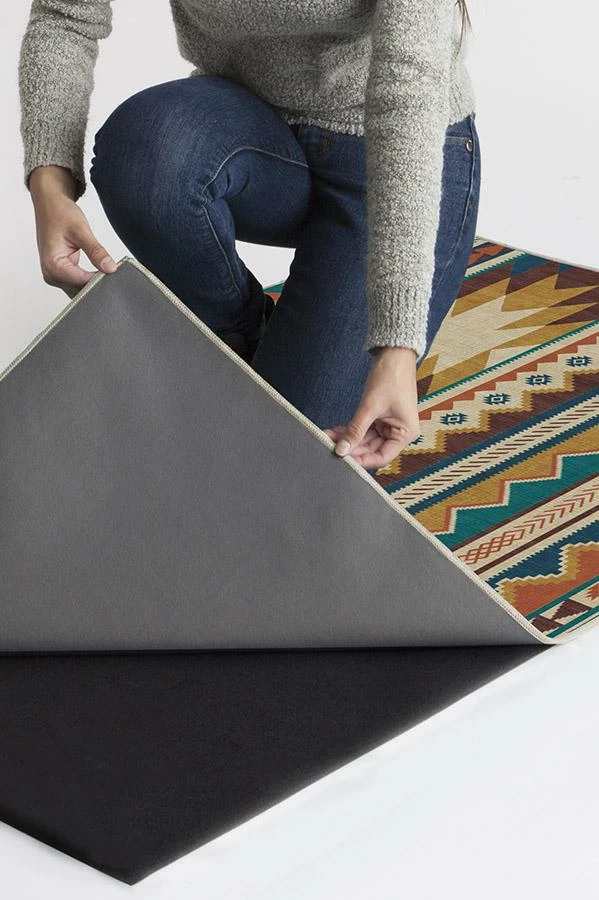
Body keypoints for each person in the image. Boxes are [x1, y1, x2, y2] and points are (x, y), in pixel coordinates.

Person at [18, 0, 481, 475]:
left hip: (401, 152)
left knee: (285, 465)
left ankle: (292, 362)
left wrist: (397, 345)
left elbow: (408, 83)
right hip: (253, 131)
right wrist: (49, 187)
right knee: (146, 153)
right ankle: (243, 337)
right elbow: (66, 15)